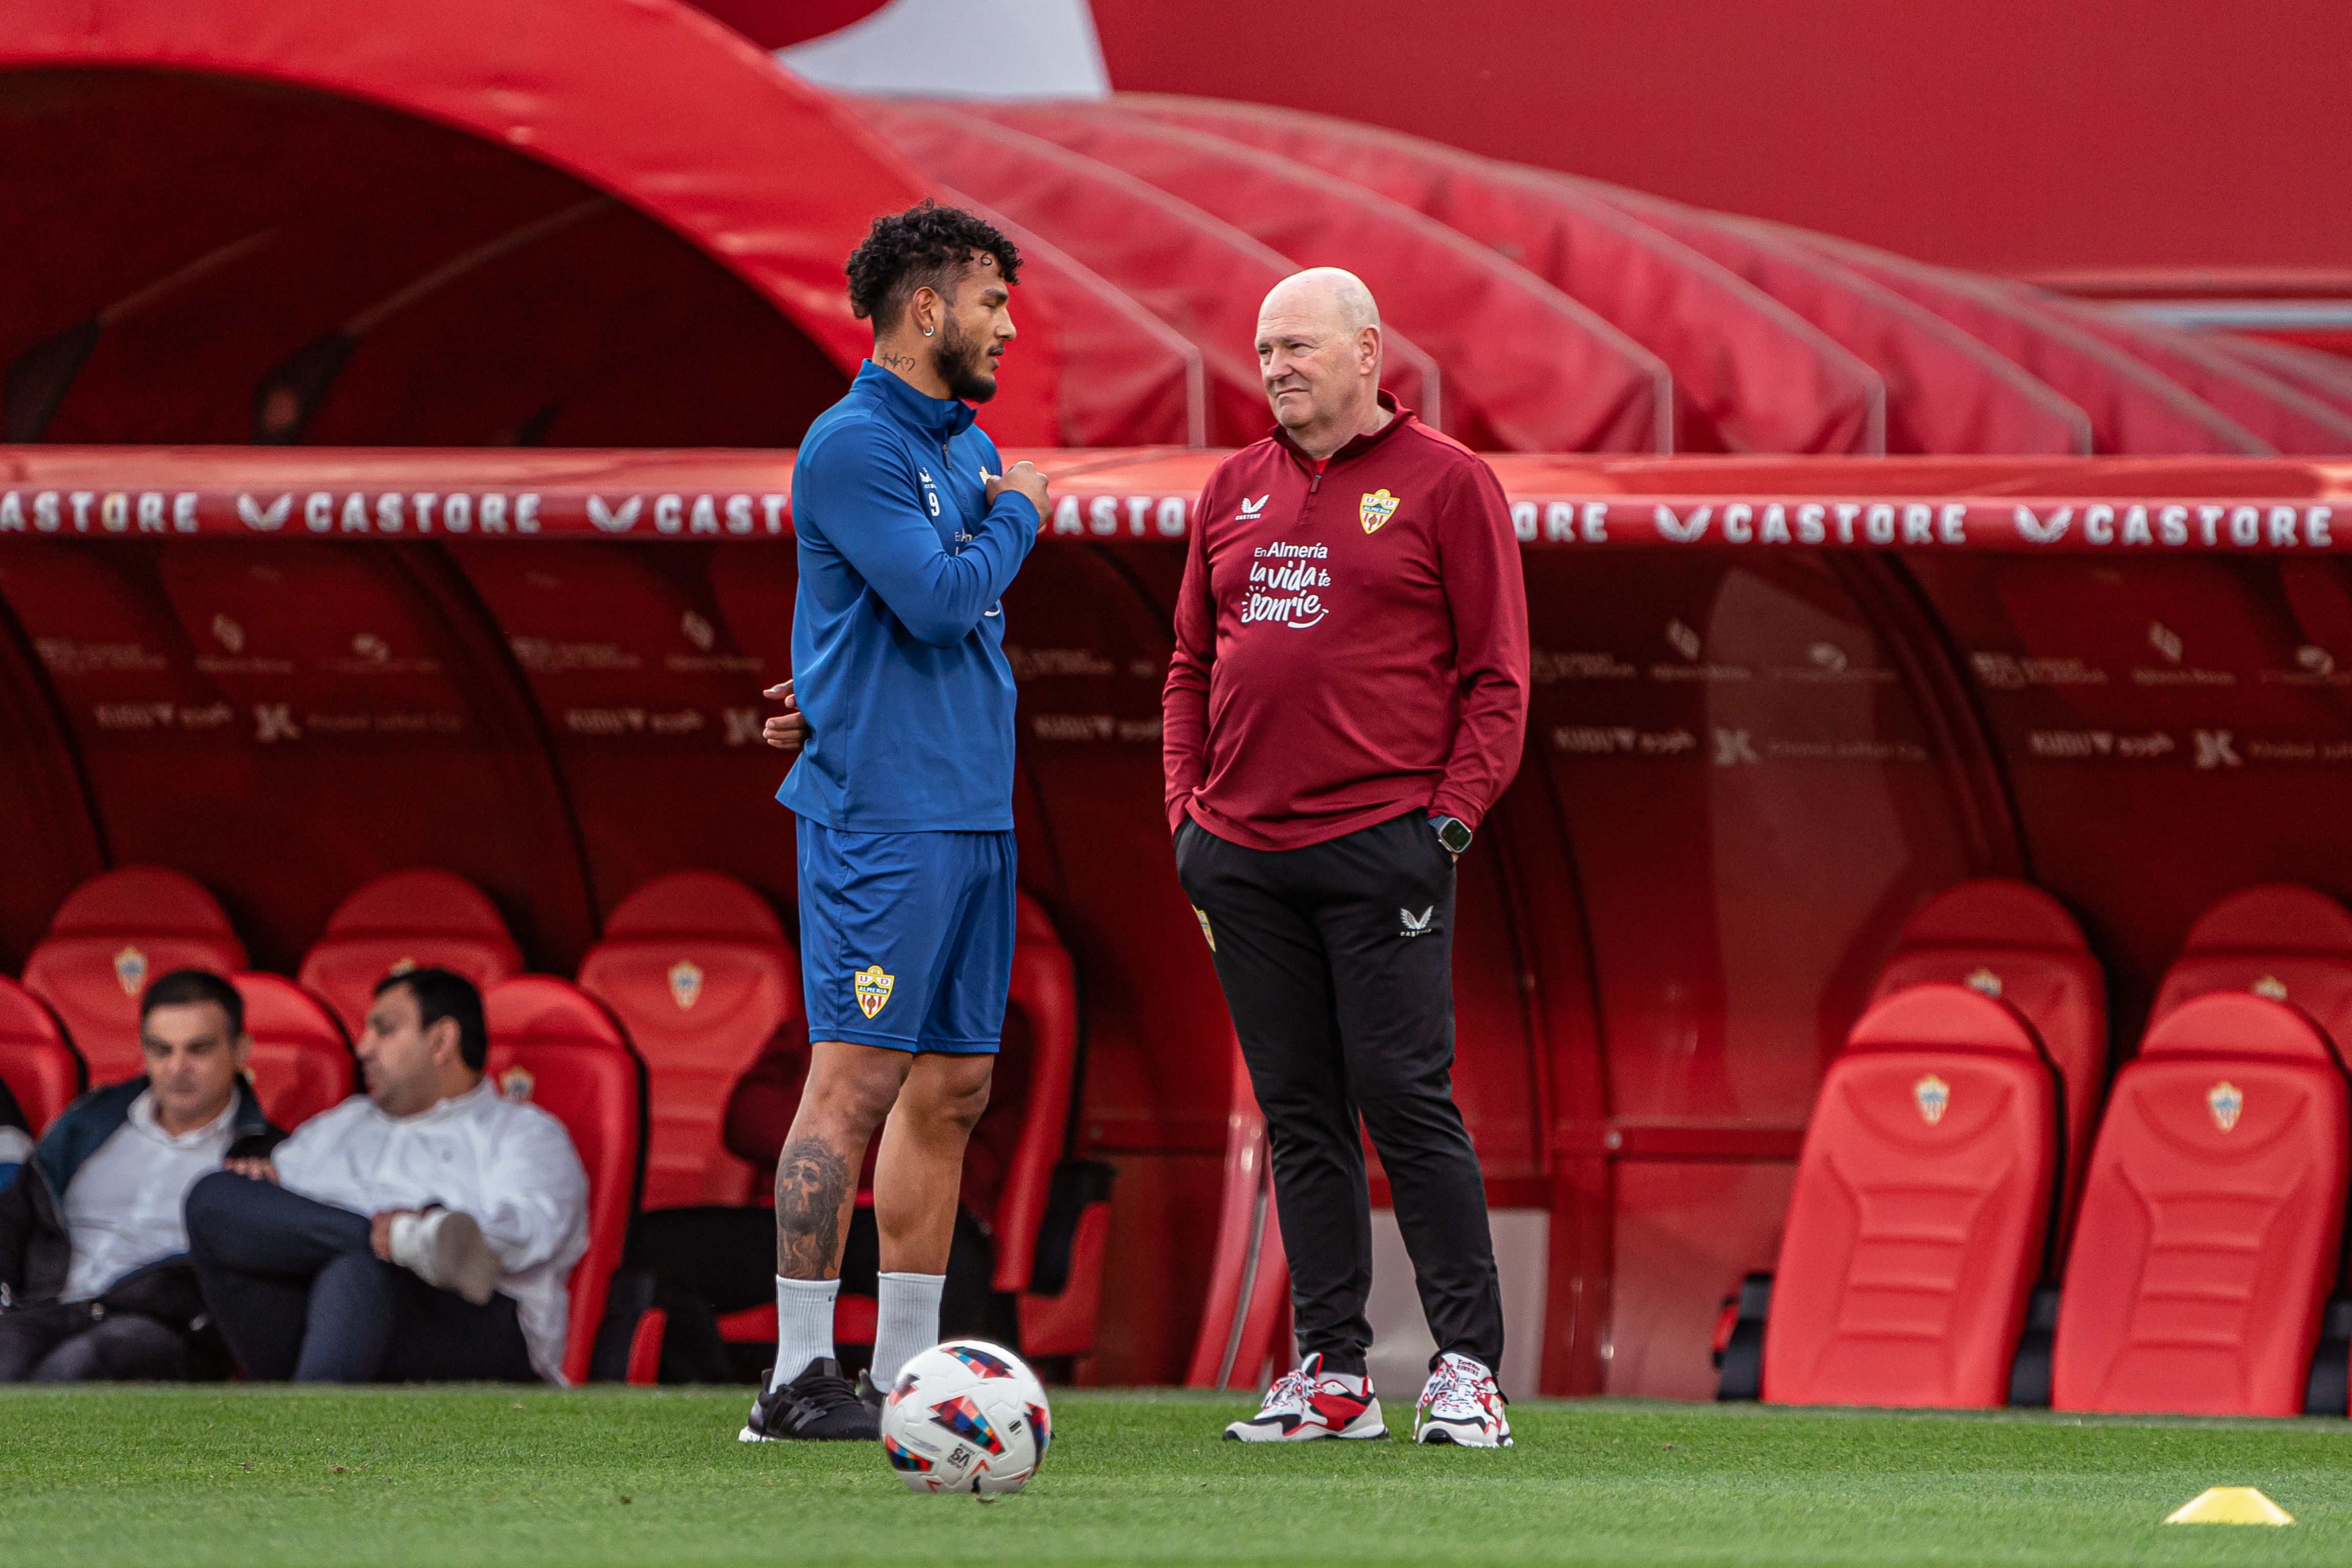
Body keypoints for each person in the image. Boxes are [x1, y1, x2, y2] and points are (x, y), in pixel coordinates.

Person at [1163, 268, 1530, 1447]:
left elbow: (1496, 677)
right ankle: (1330, 1371)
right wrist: (1186, 814)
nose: (1274, 367)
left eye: (1298, 348)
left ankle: (1467, 1364)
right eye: (1264, 349)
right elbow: (1185, 664)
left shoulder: (1448, 482)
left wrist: (1448, 822)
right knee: (1300, 1114)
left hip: (1384, 847)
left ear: (1366, 349)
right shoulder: (1229, 486)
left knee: (1403, 1099)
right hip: (1241, 856)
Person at [742, 198, 1048, 1443]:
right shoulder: (852, 443)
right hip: (884, 816)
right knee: (855, 1077)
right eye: (990, 303)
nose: (1007, 327)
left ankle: (907, 1375)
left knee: (958, 1085)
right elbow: (932, 600)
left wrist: (823, 688)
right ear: (924, 305)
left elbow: (888, 621)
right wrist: (1023, 509)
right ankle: (796, 1372)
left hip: (971, 808)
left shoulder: (963, 448)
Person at [184, 967, 588, 1384]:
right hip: (324, 1322)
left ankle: (303, 1433)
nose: (363, 1048)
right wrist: (261, 1188)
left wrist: (448, 1240)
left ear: (440, 1041)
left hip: (473, 1333)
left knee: (357, 1272)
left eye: (384, 1030)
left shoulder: (522, 1132)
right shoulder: (341, 1122)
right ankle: (408, 1243)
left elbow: (532, 1230)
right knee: (211, 1197)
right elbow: (280, 1219)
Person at [619, 1014, 1027, 1383]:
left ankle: (937, 1401)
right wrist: (847, 1121)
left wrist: (831, 1117)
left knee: (958, 1260)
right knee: (657, 1242)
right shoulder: (823, 1009)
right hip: (808, 1207)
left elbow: (940, 1120)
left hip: (918, 1212)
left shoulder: (981, 1013)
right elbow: (745, 1117)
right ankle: (718, 1393)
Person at [0, 969, 280, 1381]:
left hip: (161, 1325)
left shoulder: (264, 1156)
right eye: (161, 1049)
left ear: (241, 1050)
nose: (177, 1067)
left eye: (198, 1049)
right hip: (49, 1304)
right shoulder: (87, 1121)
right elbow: (17, 1212)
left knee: (74, 1371)